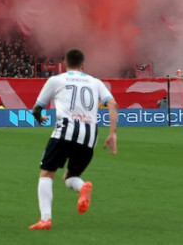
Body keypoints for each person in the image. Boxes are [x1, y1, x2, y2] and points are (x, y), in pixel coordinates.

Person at [28, 49, 117, 231]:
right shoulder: (96, 82)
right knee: (70, 177)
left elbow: (36, 108)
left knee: (46, 174)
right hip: (89, 138)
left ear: (65, 64)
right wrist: (112, 133)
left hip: (64, 133)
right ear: (83, 65)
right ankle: (82, 186)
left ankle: (45, 219)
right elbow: (113, 104)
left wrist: (39, 117)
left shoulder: (56, 80)